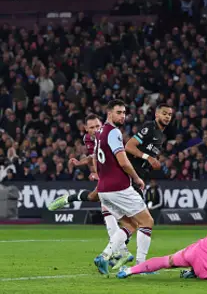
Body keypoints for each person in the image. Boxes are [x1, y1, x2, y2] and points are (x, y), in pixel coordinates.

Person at [47, 113, 134, 264]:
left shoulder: (109, 135)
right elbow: (95, 158)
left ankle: (123, 252)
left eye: (97, 126)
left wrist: (98, 173)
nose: (95, 130)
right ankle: (121, 251)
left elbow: (116, 159)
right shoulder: (88, 139)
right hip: (107, 178)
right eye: (92, 127)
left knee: (130, 218)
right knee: (107, 208)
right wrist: (90, 168)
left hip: (121, 177)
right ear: (86, 129)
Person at [93, 99, 156, 275]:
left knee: (130, 224)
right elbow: (123, 160)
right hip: (119, 188)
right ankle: (141, 266)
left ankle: (104, 256)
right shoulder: (114, 133)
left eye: (124, 112)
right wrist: (136, 178)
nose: (122, 115)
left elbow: (96, 159)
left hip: (104, 190)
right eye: (118, 112)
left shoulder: (99, 132)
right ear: (109, 113)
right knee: (147, 221)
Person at [125, 104, 173, 197]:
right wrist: (148, 157)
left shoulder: (161, 136)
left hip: (139, 177)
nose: (167, 116)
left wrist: (155, 163)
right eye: (164, 113)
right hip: (129, 174)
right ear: (157, 114)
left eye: (170, 114)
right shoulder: (150, 127)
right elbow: (129, 146)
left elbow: (147, 155)